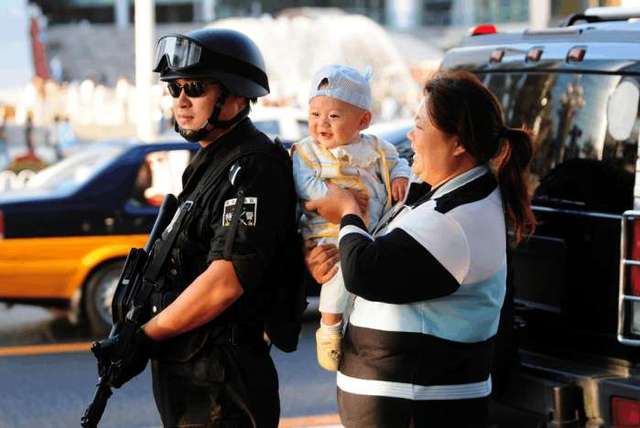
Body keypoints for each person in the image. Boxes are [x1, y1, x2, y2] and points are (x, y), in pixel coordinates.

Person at [305, 70, 535, 427]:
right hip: (407, 402)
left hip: (419, 405)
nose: (409, 137)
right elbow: (374, 252)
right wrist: (332, 252)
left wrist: (348, 213)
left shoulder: (455, 219)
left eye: (420, 127)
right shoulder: (443, 192)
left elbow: (365, 273)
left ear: (457, 142)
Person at [112, 28, 298, 427]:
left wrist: (146, 337)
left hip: (223, 384)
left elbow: (225, 280)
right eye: (174, 89)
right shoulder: (210, 161)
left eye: (194, 88)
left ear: (235, 95)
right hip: (192, 374)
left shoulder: (253, 167)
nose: (180, 101)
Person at [292, 64, 410, 372]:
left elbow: (400, 163)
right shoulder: (306, 152)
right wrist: (336, 199)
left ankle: (354, 326)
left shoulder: (378, 148)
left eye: (333, 116)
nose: (322, 125)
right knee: (340, 272)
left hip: (375, 230)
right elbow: (305, 184)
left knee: (367, 279)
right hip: (330, 232)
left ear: (364, 120)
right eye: (315, 115)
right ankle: (330, 326)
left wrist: (400, 177)